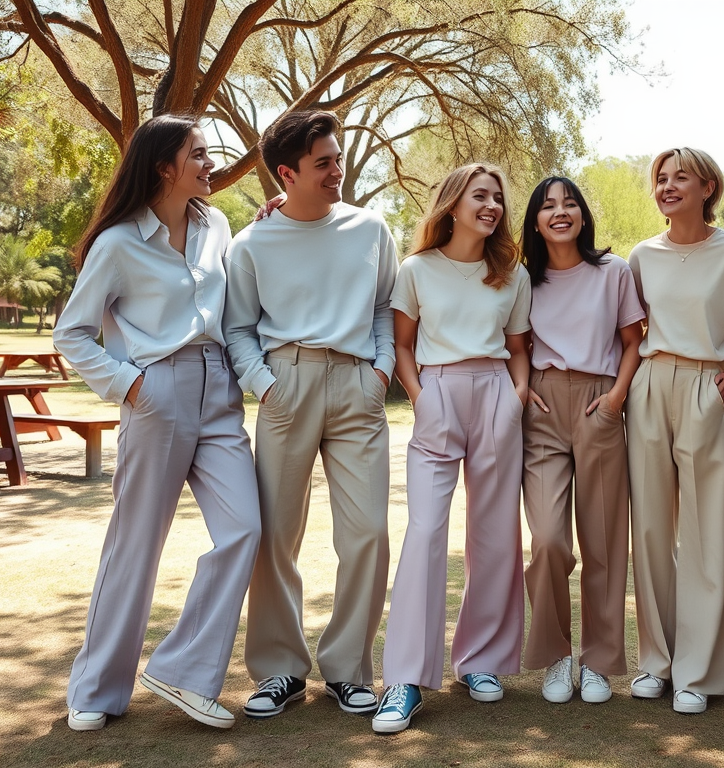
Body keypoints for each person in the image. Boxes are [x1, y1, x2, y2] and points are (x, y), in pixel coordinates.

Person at [54, 115, 262, 731]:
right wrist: (131, 383)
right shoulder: (118, 244)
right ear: (164, 165)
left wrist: (264, 226)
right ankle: (95, 689)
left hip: (219, 389)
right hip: (156, 390)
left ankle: (182, 670)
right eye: (197, 153)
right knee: (136, 545)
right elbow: (74, 332)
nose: (210, 162)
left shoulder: (216, 225)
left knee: (245, 529)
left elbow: (230, 290)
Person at [223, 110, 398, 719]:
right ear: (285, 174)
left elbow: (384, 308)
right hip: (285, 385)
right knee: (276, 536)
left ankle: (348, 668)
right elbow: (238, 328)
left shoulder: (372, 229)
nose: (336, 171)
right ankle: (279, 670)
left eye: (338, 158)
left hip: (358, 388)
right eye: (322, 163)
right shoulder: (250, 243)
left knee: (369, 532)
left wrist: (380, 373)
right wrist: (265, 386)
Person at [371, 163, 531, 734]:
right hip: (436, 393)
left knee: (494, 533)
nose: (491, 205)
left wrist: (515, 396)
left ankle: (480, 661)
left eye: (497, 197)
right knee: (425, 532)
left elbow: (517, 347)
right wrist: (419, 397)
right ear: (452, 204)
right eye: (480, 196)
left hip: (495, 394)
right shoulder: (415, 270)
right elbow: (403, 345)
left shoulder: (512, 275)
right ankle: (405, 680)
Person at [626, 148, 724, 714]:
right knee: (652, 529)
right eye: (661, 177)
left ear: (708, 187)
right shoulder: (640, 256)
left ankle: (698, 673)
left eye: (681, 176)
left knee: (707, 532)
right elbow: (627, 332)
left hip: (708, 388)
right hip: (650, 386)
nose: (668, 185)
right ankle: (656, 662)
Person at [519, 177, 644, 704]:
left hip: (600, 401)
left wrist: (615, 398)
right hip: (544, 407)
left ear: (583, 215)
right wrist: (524, 390)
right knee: (548, 538)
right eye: (548, 206)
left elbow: (633, 341)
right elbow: (515, 343)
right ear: (536, 221)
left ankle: (598, 660)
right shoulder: (523, 279)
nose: (560, 211)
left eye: (569, 202)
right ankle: (554, 657)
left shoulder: (612, 272)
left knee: (604, 542)